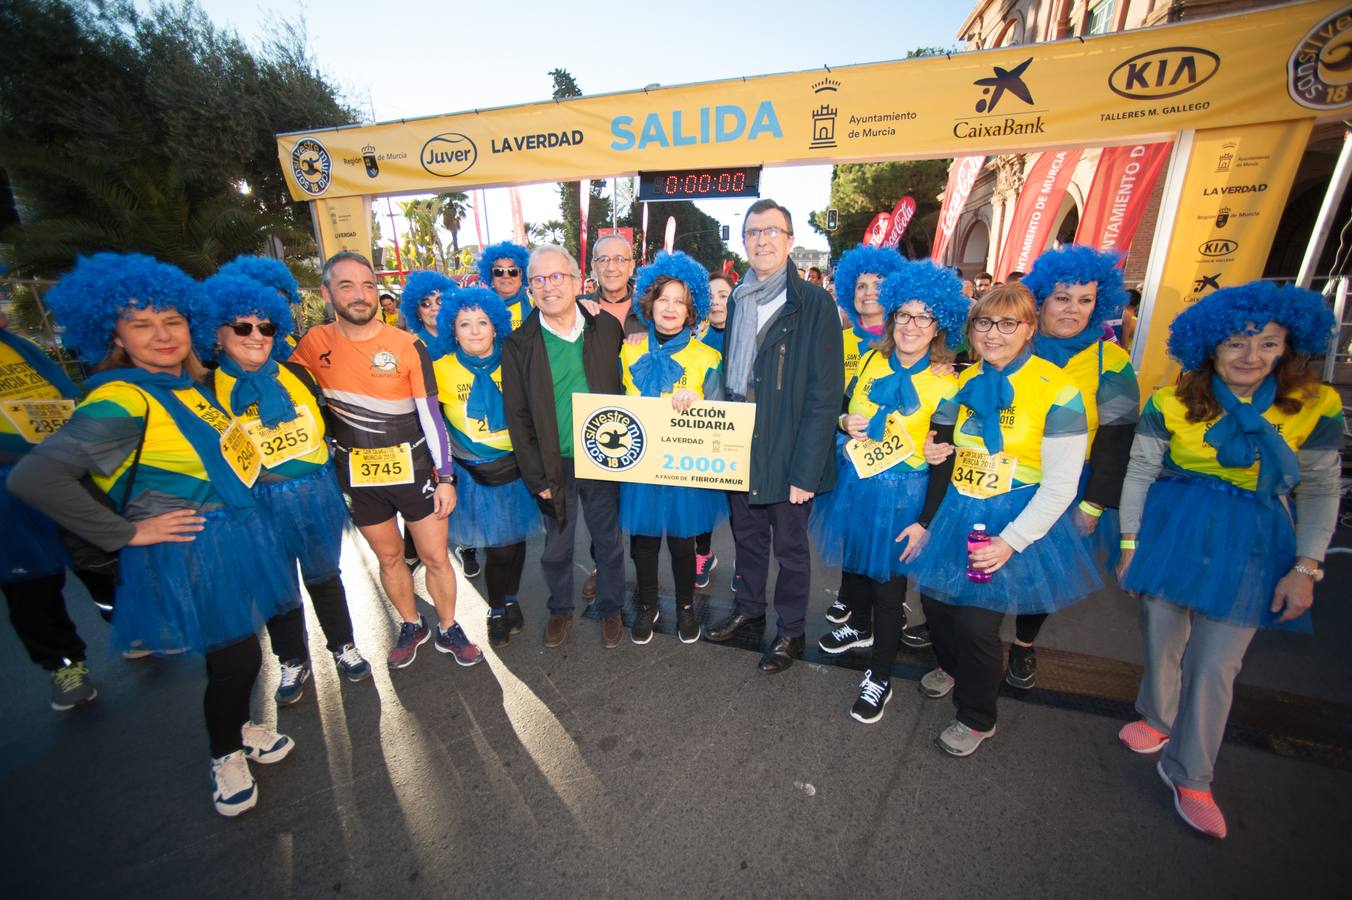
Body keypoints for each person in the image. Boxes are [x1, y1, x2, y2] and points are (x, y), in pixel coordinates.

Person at [9, 252, 299, 817]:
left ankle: (238, 725)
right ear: (112, 332)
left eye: (171, 320)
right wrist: (124, 533)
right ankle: (224, 754)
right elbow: (36, 476)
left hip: (234, 533)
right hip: (194, 546)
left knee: (238, 654)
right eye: (140, 323)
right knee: (237, 658)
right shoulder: (122, 396)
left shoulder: (186, 387)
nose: (161, 335)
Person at [1116, 282, 1341, 839]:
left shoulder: (1316, 405)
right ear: (1210, 346)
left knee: (1216, 663)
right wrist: (1128, 542)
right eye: (1237, 343)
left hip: (1257, 542)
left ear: (1287, 346)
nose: (1251, 357)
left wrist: (1307, 567)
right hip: (1172, 530)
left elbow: (1319, 489)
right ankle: (1157, 717)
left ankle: (1191, 774)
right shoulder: (1169, 401)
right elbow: (1141, 472)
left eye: (1268, 343)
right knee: (1160, 636)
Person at [912, 283, 1100, 756]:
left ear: (1029, 328)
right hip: (960, 509)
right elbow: (946, 441)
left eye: (1007, 323)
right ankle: (953, 667)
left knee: (977, 625)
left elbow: (1061, 485)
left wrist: (1012, 541)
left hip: (1015, 518)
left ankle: (977, 716)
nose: (993, 334)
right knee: (936, 605)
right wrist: (940, 448)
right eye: (983, 323)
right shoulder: (961, 379)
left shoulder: (1059, 390)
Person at [290, 252, 482, 670]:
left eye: (366, 285)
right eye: (346, 286)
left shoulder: (406, 344)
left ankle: (449, 627)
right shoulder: (312, 345)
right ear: (326, 293)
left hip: (415, 471)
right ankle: (412, 624)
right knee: (390, 558)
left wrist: (446, 476)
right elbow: (291, 398)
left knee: (434, 557)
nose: (359, 296)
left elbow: (431, 417)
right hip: (358, 478)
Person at [193, 273, 371, 704]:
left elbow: (330, 425)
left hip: (314, 494)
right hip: (254, 503)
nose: (256, 336)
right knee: (277, 587)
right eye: (242, 327)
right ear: (216, 333)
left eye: (266, 327)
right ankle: (292, 659)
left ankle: (343, 646)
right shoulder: (206, 390)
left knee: (325, 577)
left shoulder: (298, 375)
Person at [813, 261, 969, 722]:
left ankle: (879, 676)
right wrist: (845, 423)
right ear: (893, 316)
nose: (912, 326)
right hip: (857, 485)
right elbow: (841, 410)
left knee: (887, 588)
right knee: (857, 570)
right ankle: (858, 629)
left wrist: (925, 522)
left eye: (924, 317)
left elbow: (944, 459)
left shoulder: (946, 381)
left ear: (938, 324)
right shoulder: (869, 360)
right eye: (904, 315)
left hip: (904, 496)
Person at [705, 199, 844, 674]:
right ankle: (748, 609)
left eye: (772, 231)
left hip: (788, 449)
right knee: (746, 539)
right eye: (753, 232)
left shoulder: (814, 304)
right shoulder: (737, 299)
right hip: (739, 442)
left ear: (789, 239)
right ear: (743, 241)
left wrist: (806, 471)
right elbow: (730, 376)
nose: (762, 240)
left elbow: (826, 397)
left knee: (789, 548)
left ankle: (790, 632)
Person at [1012, 245, 1139, 689]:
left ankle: (1023, 646)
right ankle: (962, 635)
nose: (1073, 310)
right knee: (980, 553)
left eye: (1085, 300)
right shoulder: (1013, 346)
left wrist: (1095, 503)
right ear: (1042, 298)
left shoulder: (1111, 360)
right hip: (1005, 474)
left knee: (1041, 570)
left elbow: (1116, 439)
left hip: (1070, 484)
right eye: (1063, 298)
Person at [501, 244, 628, 648]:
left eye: (557, 277)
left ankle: (610, 608)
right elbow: (517, 417)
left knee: (607, 540)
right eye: (538, 279)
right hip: (553, 464)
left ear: (577, 282)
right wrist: (535, 475)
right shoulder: (518, 344)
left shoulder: (605, 327)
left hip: (604, 457)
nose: (548, 286)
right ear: (530, 289)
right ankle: (560, 609)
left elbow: (626, 389)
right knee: (556, 546)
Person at [0, 308, 113, 710]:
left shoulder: (23, 349)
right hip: (11, 495)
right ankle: (65, 665)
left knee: (100, 560)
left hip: (67, 473)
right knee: (31, 586)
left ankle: (130, 628)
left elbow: (66, 398)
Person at [618, 252, 726, 645]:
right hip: (639, 468)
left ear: (690, 309)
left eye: (680, 301)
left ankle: (684, 606)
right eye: (663, 298)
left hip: (684, 469)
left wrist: (699, 403)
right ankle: (648, 605)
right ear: (650, 302)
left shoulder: (708, 357)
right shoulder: (628, 349)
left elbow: (722, 418)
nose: (670, 308)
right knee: (643, 543)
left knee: (682, 544)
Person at [429, 285, 542, 647]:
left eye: (482, 322)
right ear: (453, 329)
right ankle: (496, 607)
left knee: (515, 538)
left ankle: (510, 599)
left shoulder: (514, 359)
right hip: (474, 474)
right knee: (498, 547)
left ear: (496, 325)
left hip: (516, 466)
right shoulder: (440, 369)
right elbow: (432, 422)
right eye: (464, 324)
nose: (475, 330)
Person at [812, 244, 907, 646]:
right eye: (861, 285)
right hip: (845, 452)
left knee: (885, 541)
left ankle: (880, 606)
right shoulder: (842, 340)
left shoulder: (912, 338)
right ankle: (854, 597)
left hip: (898, 468)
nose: (869, 293)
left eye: (878, 284)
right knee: (850, 530)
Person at [691, 271, 733, 589]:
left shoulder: (748, 336)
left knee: (741, 506)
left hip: (741, 432)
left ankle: (745, 562)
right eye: (711, 296)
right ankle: (702, 554)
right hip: (706, 433)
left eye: (724, 295)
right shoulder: (698, 343)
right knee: (702, 499)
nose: (717, 302)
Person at [585, 234, 646, 336]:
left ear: (631, 266)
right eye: (603, 260)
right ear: (594, 267)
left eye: (619, 259)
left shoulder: (650, 309)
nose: (611, 268)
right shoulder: (578, 310)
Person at [477, 241, 534, 329]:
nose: (506, 276)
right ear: (491, 276)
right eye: (498, 271)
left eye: (513, 271)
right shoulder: (480, 307)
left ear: (521, 275)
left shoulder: (535, 305)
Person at [400, 270, 454, 348]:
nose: (434, 308)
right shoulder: (411, 346)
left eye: (440, 301)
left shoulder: (464, 339)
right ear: (417, 312)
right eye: (425, 304)